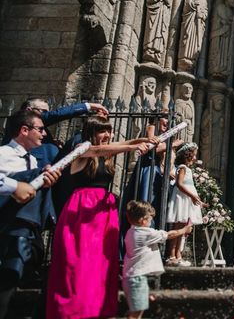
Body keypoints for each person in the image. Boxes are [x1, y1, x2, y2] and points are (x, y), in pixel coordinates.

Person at [46, 116, 152, 319]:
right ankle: (74, 311)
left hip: (104, 211)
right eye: (102, 131)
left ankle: (96, 309)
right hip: (82, 209)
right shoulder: (81, 148)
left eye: (109, 131)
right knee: (78, 261)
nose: (108, 136)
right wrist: (132, 146)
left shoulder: (107, 153)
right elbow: (99, 150)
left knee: (100, 263)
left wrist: (141, 141)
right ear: (91, 133)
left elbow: (118, 145)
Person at [0, 110, 62, 319]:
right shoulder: (4, 153)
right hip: (10, 227)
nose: (44, 134)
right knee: (8, 279)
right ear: (24, 130)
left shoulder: (33, 161)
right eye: (40, 129)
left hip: (30, 231)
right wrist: (15, 185)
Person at [122, 200, 193, 319]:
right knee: (136, 313)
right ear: (143, 220)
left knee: (135, 310)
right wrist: (184, 230)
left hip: (132, 277)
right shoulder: (145, 233)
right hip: (137, 279)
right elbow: (169, 235)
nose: (151, 221)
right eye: (150, 219)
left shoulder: (131, 232)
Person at [2, 97, 109, 167]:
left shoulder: (40, 129)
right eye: (43, 112)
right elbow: (56, 115)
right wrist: (89, 106)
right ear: (29, 110)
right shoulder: (20, 120)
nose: (47, 115)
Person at [165, 143, 204, 266]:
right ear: (188, 155)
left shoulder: (188, 169)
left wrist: (198, 200)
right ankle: (171, 255)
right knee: (177, 227)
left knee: (182, 227)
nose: (195, 157)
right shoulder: (182, 167)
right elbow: (179, 184)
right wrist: (192, 196)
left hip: (186, 199)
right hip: (181, 199)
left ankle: (178, 254)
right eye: (194, 155)